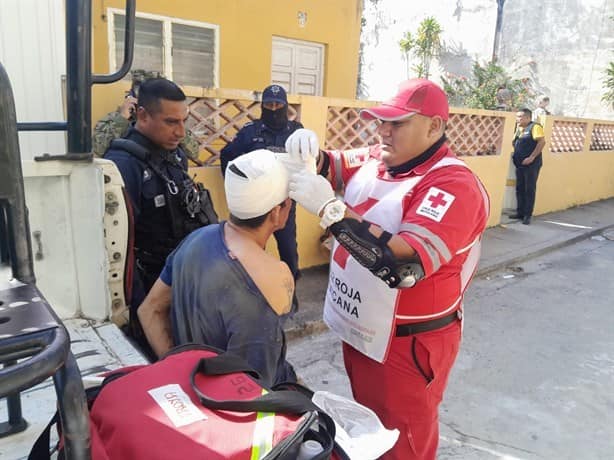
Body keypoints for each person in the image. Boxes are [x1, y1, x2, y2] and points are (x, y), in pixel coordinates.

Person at [285, 79, 490, 459]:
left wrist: (332, 211)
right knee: (370, 429)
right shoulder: (379, 158)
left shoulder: (452, 184)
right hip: (363, 331)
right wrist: (305, 151)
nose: (383, 131)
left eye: (397, 123)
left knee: (402, 441)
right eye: (382, 121)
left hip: (408, 346)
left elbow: (403, 265)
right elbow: (330, 166)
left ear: (434, 126)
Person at [138, 150, 297, 386]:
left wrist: (181, 375)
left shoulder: (195, 239)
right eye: (288, 202)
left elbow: (149, 311)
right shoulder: (275, 277)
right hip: (244, 410)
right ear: (275, 212)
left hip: (199, 393)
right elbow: (257, 389)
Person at [104, 78, 217, 353]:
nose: (181, 132)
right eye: (170, 122)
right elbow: (119, 247)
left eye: (183, 121)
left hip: (182, 277)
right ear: (142, 115)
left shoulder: (175, 154)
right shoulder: (123, 164)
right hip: (150, 286)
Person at [220, 84, 303, 295]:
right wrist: (236, 188)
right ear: (262, 106)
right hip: (256, 205)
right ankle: (255, 292)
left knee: (288, 250)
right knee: (254, 250)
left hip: (284, 203)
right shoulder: (250, 132)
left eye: (278, 104)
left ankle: (290, 292)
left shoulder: (297, 132)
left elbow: (308, 161)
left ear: (285, 106)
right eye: (268, 104)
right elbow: (227, 157)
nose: (273, 109)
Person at [92, 69, 202, 162]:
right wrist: (121, 119)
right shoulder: (116, 121)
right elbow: (96, 153)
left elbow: (194, 153)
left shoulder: (173, 123)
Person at [511, 108, 545, 225]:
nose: (517, 119)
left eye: (520, 117)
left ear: (528, 118)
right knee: (519, 188)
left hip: (531, 164)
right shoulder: (519, 129)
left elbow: (541, 142)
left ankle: (527, 215)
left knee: (529, 189)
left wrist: (531, 157)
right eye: (517, 117)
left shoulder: (535, 127)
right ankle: (520, 212)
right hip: (520, 164)